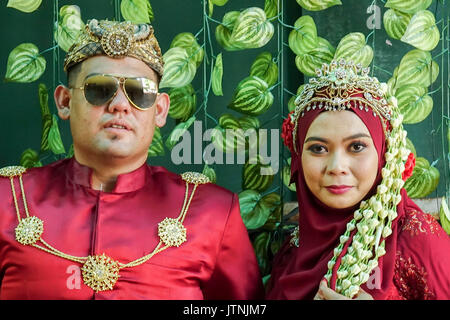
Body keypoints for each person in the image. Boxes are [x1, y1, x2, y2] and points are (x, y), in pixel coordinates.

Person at [0, 19, 264, 299]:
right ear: (65, 102)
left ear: (160, 110)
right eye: (99, 89)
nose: (119, 105)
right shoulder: (8, 200)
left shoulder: (212, 211)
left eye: (140, 93)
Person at [266, 59, 450, 300]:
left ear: (384, 155)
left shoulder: (417, 239)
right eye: (319, 149)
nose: (337, 167)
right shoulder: (293, 249)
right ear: (299, 156)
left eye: (356, 146)